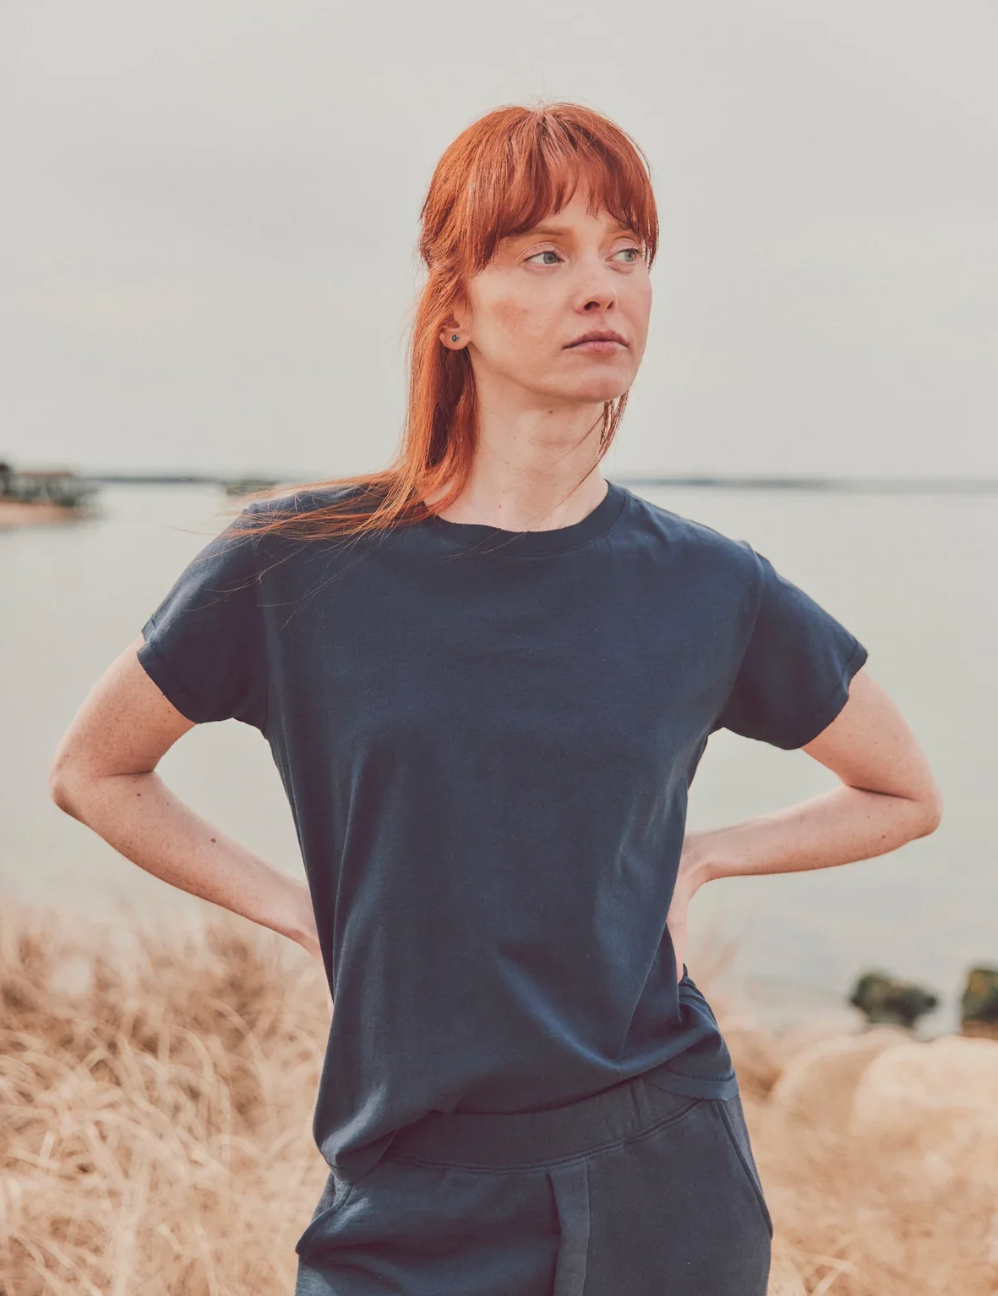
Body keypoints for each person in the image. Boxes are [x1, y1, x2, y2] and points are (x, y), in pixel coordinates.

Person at [49, 101, 943, 1296]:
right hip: (406, 1189)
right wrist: (302, 909)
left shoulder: (709, 586)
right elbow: (94, 771)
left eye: (626, 252)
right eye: (545, 253)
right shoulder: (292, 564)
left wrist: (704, 859)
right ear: (454, 310)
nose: (601, 287)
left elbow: (899, 791)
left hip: (660, 1171)